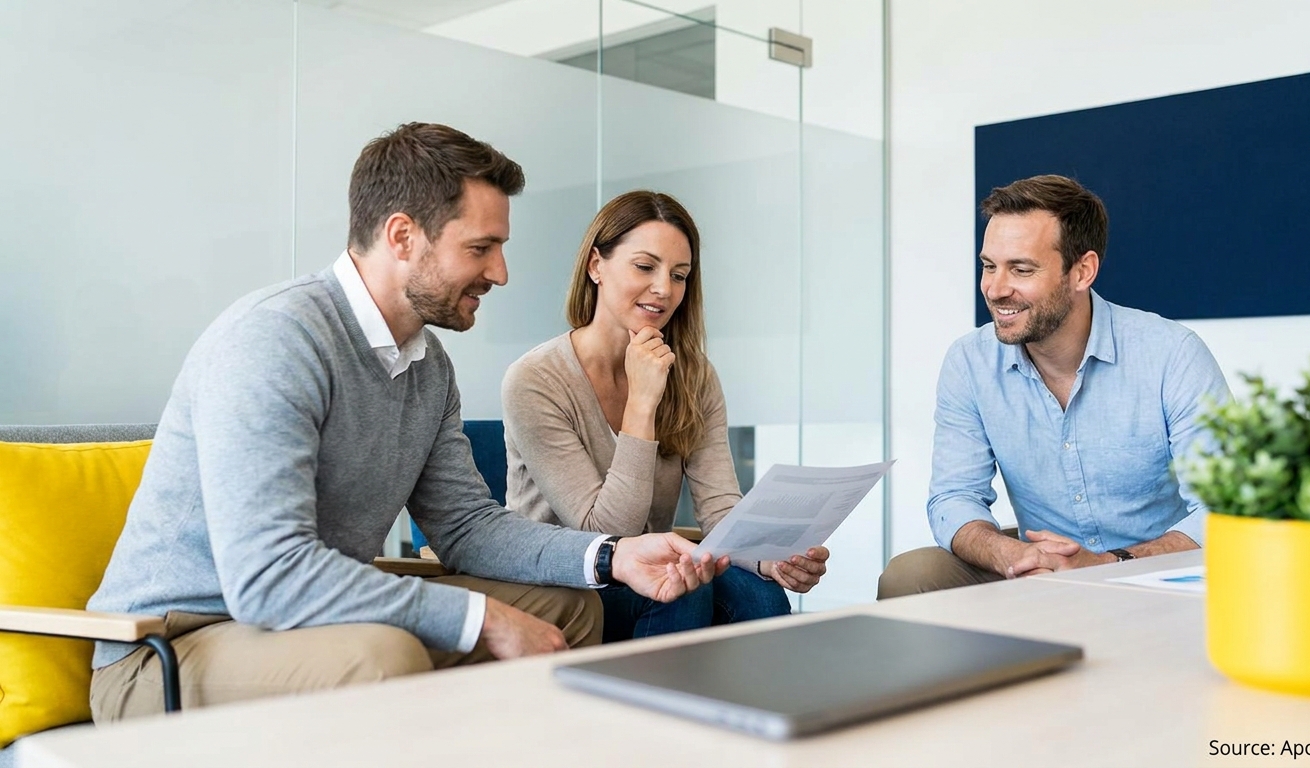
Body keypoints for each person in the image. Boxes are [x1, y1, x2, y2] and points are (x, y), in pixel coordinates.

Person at [86, 124, 721, 721]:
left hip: (307, 624)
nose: (499, 272)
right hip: (171, 648)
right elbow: (268, 577)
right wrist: (482, 619)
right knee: (385, 661)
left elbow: (468, 529)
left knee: (571, 610)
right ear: (402, 236)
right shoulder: (277, 340)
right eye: (481, 247)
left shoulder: (427, 365)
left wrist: (612, 556)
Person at [878, 174, 1230, 598]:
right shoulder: (969, 362)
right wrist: (1009, 555)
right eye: (989, 266)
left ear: (1082, 271)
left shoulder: (1172, 354)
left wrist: (1106, 565)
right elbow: (954, 497)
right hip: (1039, 566)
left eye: (1021, 269)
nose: (995, 289)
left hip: (1155, 569)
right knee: (912, 574)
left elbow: (1224, 509)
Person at [502, 190, 829, 640]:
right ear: (596, 265)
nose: (664, 289)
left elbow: (718, 509)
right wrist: (642, 402)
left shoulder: (693, 374)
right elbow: (607, 535)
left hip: (655, 576)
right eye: (644, 267)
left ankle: (768, 709)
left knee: (758, 592)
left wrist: (769, 559)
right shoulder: (535, 379)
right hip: (567, 585)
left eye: (679, 275)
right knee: (680, 589)